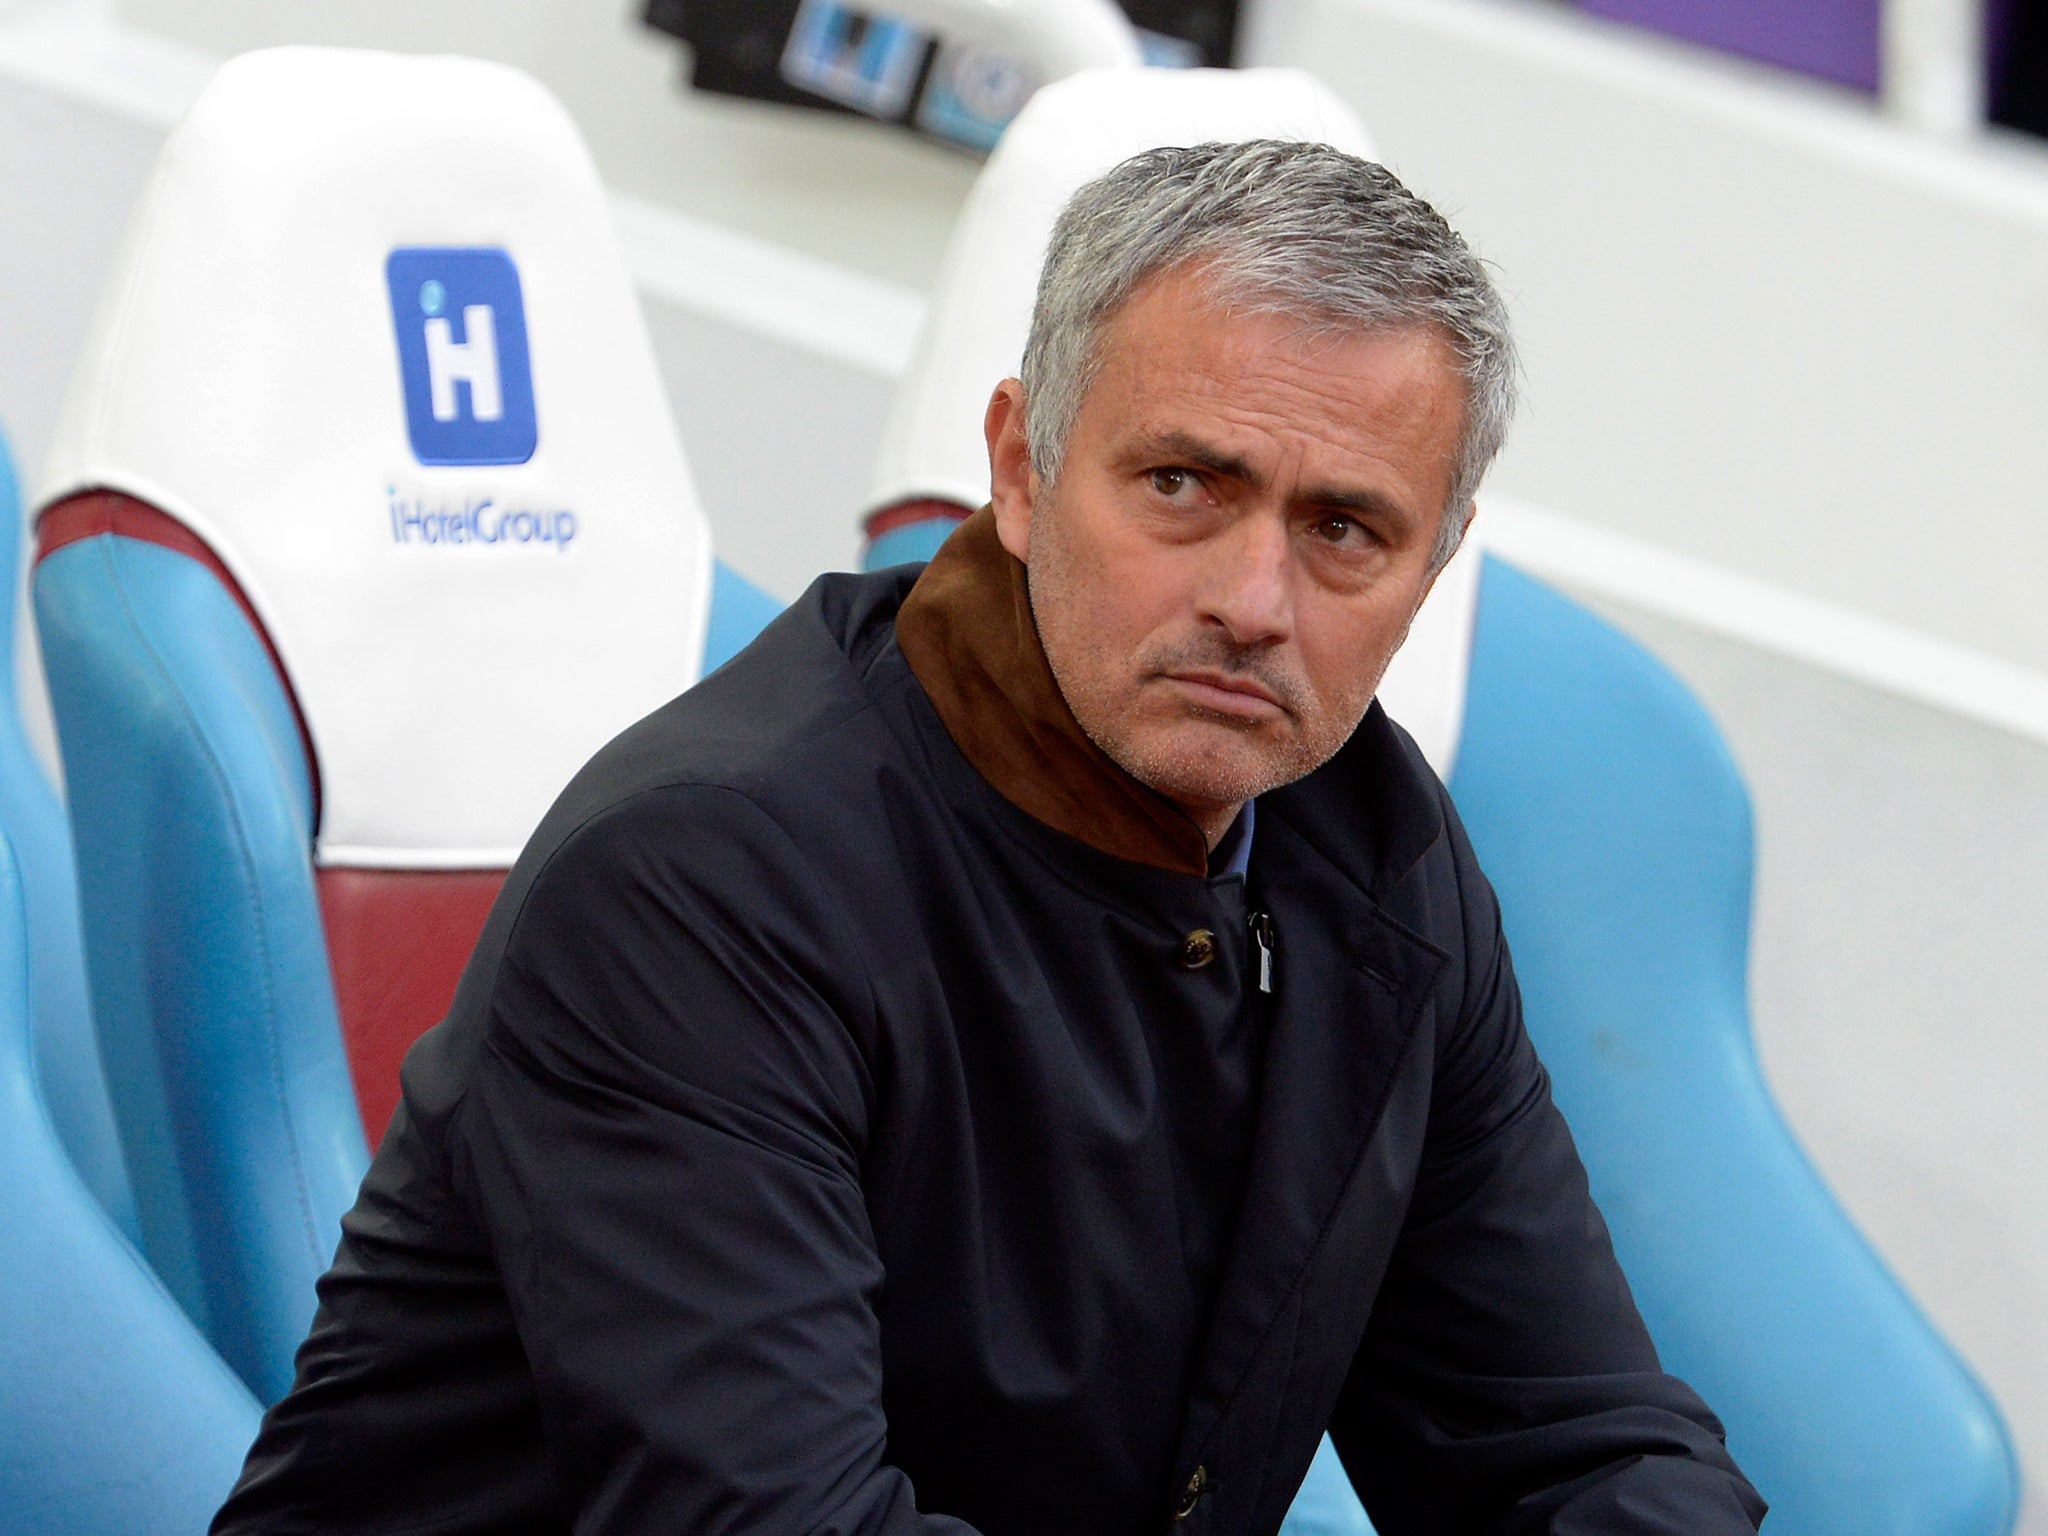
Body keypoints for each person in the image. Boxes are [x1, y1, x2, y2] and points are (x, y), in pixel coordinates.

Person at [214, 140, 1764, 1535]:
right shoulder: (707, 881)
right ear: (1021, 468)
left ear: (1438, 564)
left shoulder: (1376, 852)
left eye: (1343, 529)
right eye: (1181, 485)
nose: (1254, 602)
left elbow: (1572, 1441)